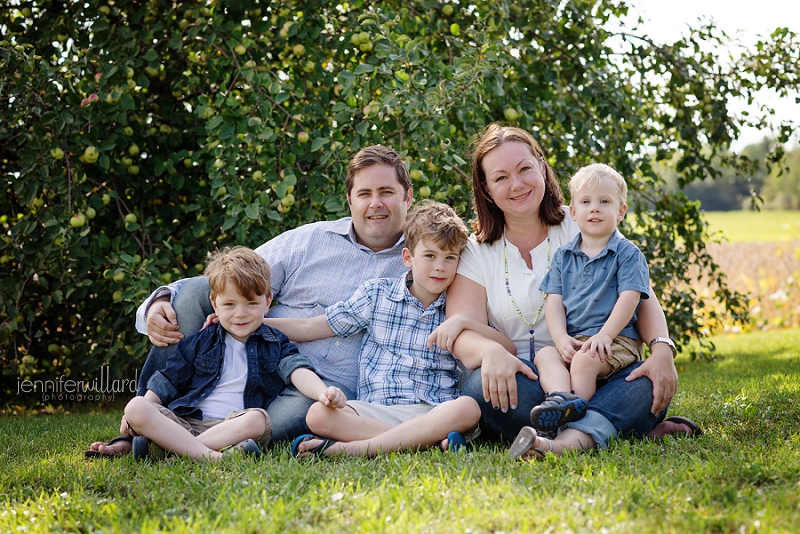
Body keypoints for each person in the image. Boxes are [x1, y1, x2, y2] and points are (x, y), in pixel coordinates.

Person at [87, 145, 413, 456]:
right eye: (364, 194)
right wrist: (160, 300)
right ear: (349, 200)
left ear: (407, 197)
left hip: (319, 385)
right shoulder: (311, 240)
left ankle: (161, 438)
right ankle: (139, 425)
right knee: (194, 293)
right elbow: (235, 276)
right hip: (252, 350)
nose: (375, 204)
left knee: (307, 410)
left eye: (386, 192)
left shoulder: (422, 261)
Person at [435, 124, 700, 461]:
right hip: (530, 385)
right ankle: (610, 428)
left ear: (543, 169)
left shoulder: (582, 220)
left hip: (602, 368)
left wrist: (662, 349)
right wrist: (489, 353)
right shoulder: (476, 251)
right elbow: (463, 332)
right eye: (501, 178)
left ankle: (559, 442)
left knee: (644, 383)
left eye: (525, 169)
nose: (517, 184)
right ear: (486, 189)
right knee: (477, 388)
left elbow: (638, 292)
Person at [265, 202, 506, 457]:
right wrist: (256, 324)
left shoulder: (456, 308)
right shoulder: (377, 294)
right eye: (430, 256)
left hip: (434, 410)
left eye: (450, 258)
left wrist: (465, 322)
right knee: (318, 414)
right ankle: (427, 443)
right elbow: (310, 326)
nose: (440, 267)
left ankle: (350, 450)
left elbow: (505, 346)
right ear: (408, 257)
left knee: (467, 408)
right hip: (377, 408)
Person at [88, 247, 346, 461]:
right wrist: (143, 410)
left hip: (230, 427)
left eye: (251, 304)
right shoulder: (203, 339)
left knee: (257, 419)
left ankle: (177, 451)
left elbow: (298, 370)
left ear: (267, 301)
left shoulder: (275, 342)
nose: (240, 314)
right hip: (184, 420)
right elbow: (169, 379)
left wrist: (322, 392)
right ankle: (208, 456)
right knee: (136, 406)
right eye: (230, 305)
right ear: (215, 303)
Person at [528, 163, 651, 432]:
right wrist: (560, 338)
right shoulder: (563, 256)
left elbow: (629, 299)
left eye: (604, 201)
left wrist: (605, 335)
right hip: (576, 339)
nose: (594, 208)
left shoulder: (628, 254)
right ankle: (561, 399)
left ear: (620, 212)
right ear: (573, 213)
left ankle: (573, 426)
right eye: (585, 201)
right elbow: (554, 303)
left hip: (616, 340)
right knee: (546, 354)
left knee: (584, 361)